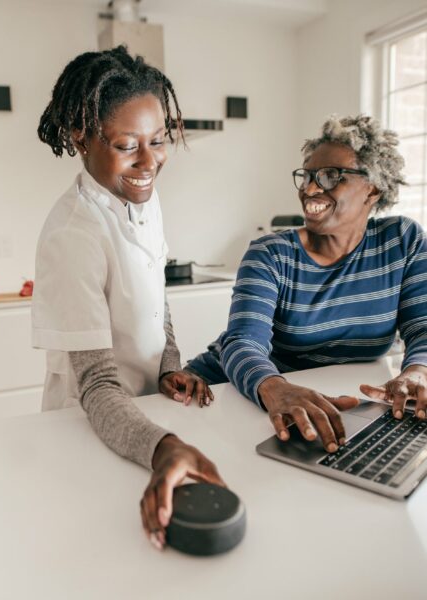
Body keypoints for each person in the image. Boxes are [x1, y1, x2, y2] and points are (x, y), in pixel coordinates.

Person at [32, 46, 225, 550]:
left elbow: (156, 296)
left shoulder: (141, 195)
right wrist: (165, 450)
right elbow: (96, 384)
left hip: (142, 417)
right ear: (80, 137)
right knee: (99, 547)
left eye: (159, 140)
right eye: (126, 144)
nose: (149, 161)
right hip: (91, 422)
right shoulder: (73, 234)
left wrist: (168, 367)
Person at [187, 114, 427, 451]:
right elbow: (242, 342)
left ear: (372, 189)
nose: (311, 189)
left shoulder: (401, 241)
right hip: (228, 392)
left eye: (331, 176)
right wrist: (275, 387)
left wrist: (418, 371)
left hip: (317, 402)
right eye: (307, 175)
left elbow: (422, 327)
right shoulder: (271, 254)